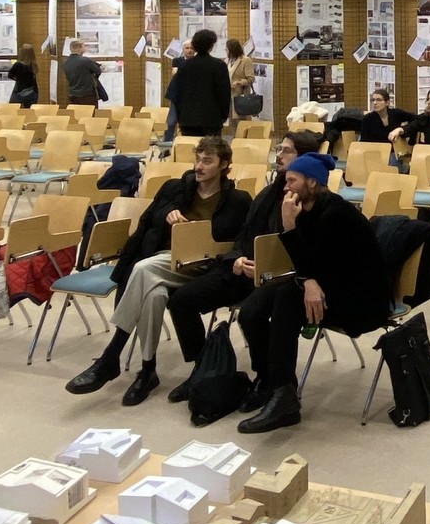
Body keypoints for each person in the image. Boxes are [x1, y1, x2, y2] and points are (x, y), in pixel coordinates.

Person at [64, 135, 252, 405]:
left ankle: (111, 356)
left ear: (224, 165)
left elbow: (240, 239)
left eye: (207, 161)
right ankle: (147, 370)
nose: (199, 167)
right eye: (198, 160)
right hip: (168, 259)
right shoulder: (176, 189)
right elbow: (147, 222)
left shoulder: (237, 200)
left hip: (207, 266)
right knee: (152, 294)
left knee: (142, 270)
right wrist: (168, 214)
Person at [235, 151, 389, 433]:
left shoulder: (337, 214)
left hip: (359, 298)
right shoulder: (304, 208)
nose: (286, 187)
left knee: (287, 299)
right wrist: (305, 277)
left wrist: (290, 229)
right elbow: (307, 266)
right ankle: (270, 379)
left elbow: (317, 265)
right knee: (251, 311)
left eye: (292, 180)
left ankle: (284, 398)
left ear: (313, 183)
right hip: (326, 284)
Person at [164, 129, 324, 399]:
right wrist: (236, 258)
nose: (279, 155)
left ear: (304, 159)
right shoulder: (268, 194)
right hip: (244, 269)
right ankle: (203, 368)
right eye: (280, 149)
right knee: (181, 300)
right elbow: (244, 235)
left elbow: (309, 251)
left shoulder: (312, 200)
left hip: (283, 276)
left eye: (287, 151)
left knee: (250, 314)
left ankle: (265, 377)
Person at [173, 29, 232, 137]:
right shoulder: (219, 66)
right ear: (211, 46)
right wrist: (223, 116)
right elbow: (224, 94)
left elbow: (178, 93)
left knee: (188, 147)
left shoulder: (184, 66)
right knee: (211, 147)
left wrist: (180, 116)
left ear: (194, 45)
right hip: (211, 119)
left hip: (187, 120)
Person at [162, 38, 194, 144]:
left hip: (191, 96)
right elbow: (175, 74)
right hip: (177, 94)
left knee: (188, 122)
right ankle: (167, 142)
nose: (189, 50)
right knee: (171, 121)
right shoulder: (177, 60)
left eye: (191, 48)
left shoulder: (197, 61)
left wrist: (180, 71)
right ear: (183, 49)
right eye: (187, 48)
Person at [63, 39, 103, 108]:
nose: (85, 48)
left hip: (72, 94)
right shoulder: (86, 61)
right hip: (87, 94)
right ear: (79, 48)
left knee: (77, 113)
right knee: (90, 113)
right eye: (84, 46)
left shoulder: (66, 63)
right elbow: (98, 71)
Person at [226, 38, 256, 125]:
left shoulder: (245, 60)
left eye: (227, 49)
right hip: (230, 95)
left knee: (242, 122)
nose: (226, 50)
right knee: (232, 122)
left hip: (241, 95)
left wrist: (239, 82)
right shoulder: (227, 60)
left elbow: (251, 78)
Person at [7, 44, 39, 108]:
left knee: (12, 108)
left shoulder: (17, 65)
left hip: (19, 92)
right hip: (32, 93)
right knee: (29, 111)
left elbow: (10, 75)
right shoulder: (34, 65)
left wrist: (17, 79)